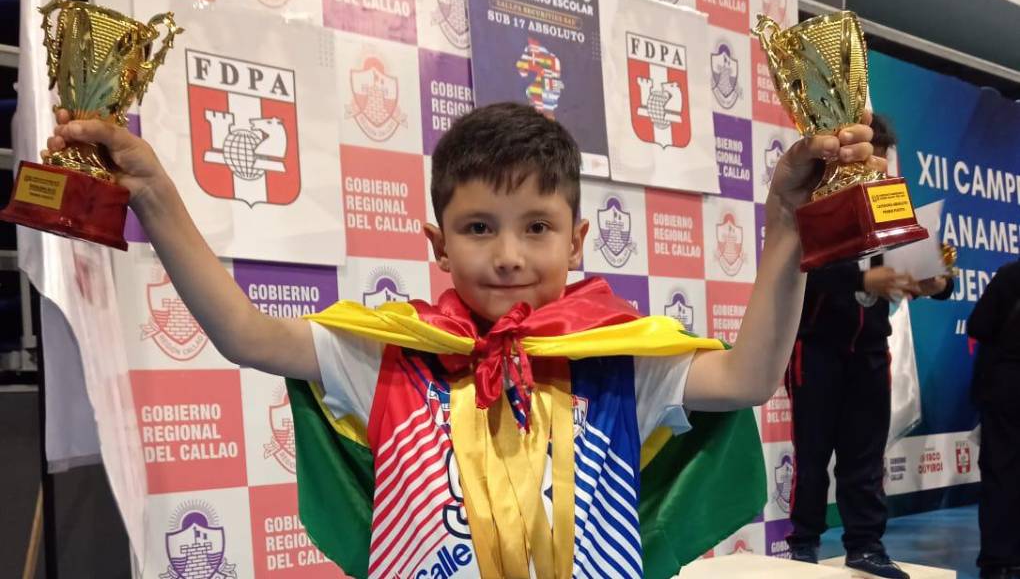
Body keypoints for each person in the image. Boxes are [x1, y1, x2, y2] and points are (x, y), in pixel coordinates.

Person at [46, 102, 880, 576]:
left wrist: (786, 228)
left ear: (579, 240)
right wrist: (153, 196)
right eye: (480, 227)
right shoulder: (386, 352)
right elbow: (245, 333)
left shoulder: (618, 360)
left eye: (537, 228)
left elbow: (746, 376)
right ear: (437, 242)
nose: (510, 255)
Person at [785, 114, 953, 579]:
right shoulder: (816, 202)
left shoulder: (890, 204)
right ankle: (802, 546)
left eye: (880, 155)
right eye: (867, 152)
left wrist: (935, 281)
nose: (874, 163)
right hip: (815, 346)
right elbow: (802, 269)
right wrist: (863, 278)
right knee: (813, 454)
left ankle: (866, 546)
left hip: (870, 349)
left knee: (864, 456)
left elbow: (913, 266)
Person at [968, 259, 1020, 579]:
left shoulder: (1011, 275)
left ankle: (1000, 558)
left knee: (1001, 472)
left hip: (1007, 387)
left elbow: (979, 326)